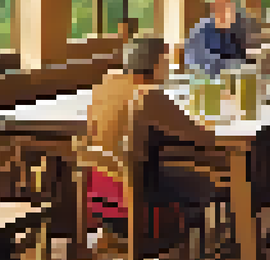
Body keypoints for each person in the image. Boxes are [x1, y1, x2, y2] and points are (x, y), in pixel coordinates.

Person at [79, 36, 219, 240]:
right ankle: (197, 247)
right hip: (138, 198)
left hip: (101, 194)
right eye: (166, 60)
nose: (168, 67)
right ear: (156, 63)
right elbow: (203, 138)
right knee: (208, 183)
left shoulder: (106, 85)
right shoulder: (147, 94)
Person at [184, 0, 255, 78]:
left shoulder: (234, 31)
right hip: (207, 79)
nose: (226, 14)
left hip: (233, 77)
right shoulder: (201, 31)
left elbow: (240, 56)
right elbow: (192, 59)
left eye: (230, 11)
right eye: (221, 10)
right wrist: (232, 64)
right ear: (213, 11)